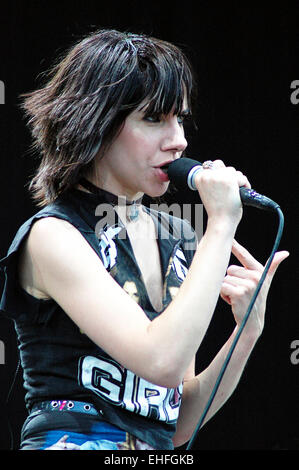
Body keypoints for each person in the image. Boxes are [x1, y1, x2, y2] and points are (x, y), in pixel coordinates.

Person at [0, 29, 288, 451]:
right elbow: (161, 361)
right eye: (154, 118)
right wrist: (222, 223)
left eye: (180, 118)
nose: (179, 140)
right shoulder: (52, 237)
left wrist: (247, 332)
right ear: (95, 121)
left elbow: (176, 420)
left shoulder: (178, 237)